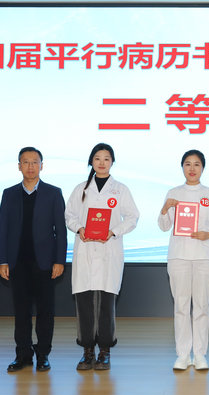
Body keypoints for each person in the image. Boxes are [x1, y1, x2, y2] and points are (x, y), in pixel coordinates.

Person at [65, 143, 139, 371]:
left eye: (106, 158)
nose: (102, 163)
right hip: (85, 250)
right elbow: (69, 215)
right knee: (85, 303)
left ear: (112, 162)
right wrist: (79, 228)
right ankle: (87, 351)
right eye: (97, 158)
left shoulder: (120, 190)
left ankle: (105, 351)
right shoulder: (80, 189)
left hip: (109, 250)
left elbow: (133, 217)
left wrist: (113, 231)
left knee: (107, 304)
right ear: (91, 161)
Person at [0, 147, 67, 372]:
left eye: (34, 162)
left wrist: (59, 260)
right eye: (25, 162)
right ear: (19, 166)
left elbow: (61, 231)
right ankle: (23, 354)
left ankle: (43, 354)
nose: (30, 166)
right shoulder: (9, 194)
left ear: (41, 166)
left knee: (45, 311)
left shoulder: (53, 193)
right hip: (17, 262)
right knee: (22, 312)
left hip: (45, 263)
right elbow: (3, 230)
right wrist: (3, 261)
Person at [158, 149, 209, 371]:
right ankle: (182, 354)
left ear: (202, 168)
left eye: (197, 164)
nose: (192, 168)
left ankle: (199, 354)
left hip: (204, 256)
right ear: (182, 167)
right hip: (178, 255)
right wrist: (165, 208)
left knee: (201, 306)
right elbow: (164, 226)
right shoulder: (173, 193)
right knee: (180, 306)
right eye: (187, 164)